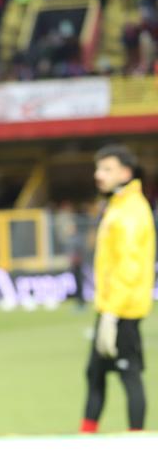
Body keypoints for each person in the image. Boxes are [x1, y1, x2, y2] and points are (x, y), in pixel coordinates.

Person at [81, 145, 155, 433]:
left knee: (129, 374)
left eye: (106, 169)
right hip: (109, 306)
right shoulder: (118, 204)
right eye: (97, 168)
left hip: (123, 310)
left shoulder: (132, 210)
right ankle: (85, 436)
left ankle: (136, 442)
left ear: (125, 173)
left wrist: (112, 314)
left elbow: (129, 268)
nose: (98, 175)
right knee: (95, 374)